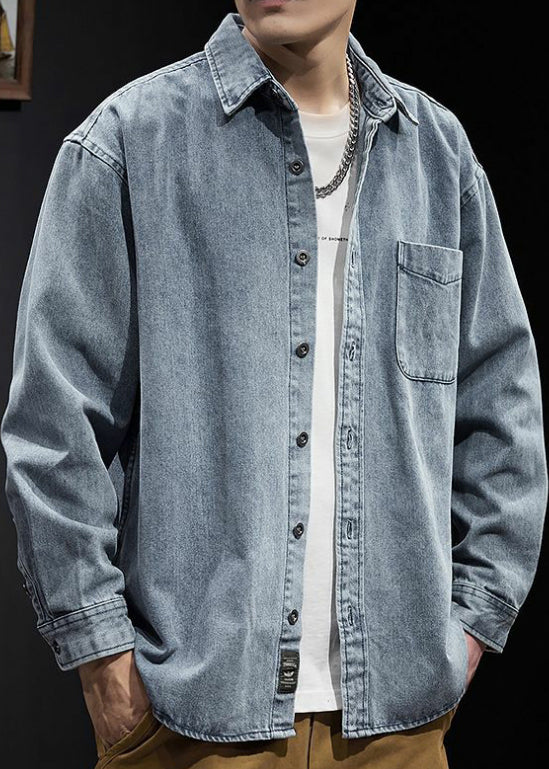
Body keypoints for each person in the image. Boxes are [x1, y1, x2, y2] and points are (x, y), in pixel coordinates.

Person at [1, 1, 547, 767]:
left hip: (399, 721)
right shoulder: (128, 141)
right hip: (192, 718)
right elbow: (54, 426)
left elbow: (501, 403)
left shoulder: (437, 153)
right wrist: (103, 659)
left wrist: (472, 622)